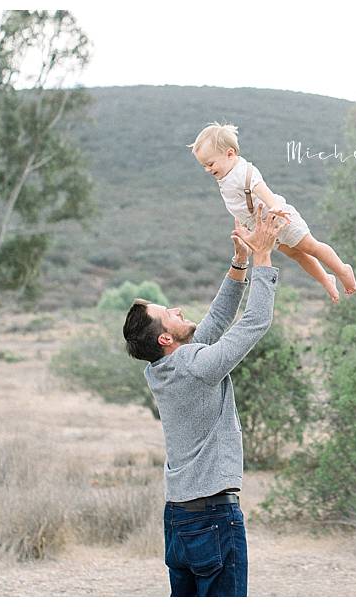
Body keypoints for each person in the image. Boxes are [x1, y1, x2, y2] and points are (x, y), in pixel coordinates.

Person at [122, 206, 287, 597]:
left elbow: (211, 325)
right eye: (170, 314)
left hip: (179, 518)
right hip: (212, 517)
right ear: (166, 339)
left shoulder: (160, 369)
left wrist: (239, 263)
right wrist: (264, 258)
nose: (178, 309)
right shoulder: (196, 367)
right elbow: (254, 323)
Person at [188, 122, 356, 303]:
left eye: (210, 164)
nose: (207, 169)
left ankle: (342, 269)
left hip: (277, 216)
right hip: (261, 226)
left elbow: (261, 188)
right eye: (204, 166)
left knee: (310, 246)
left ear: (230, 154)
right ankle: (326, 279)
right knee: (296, 255)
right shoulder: (225, 175)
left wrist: (275, 206)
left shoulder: (242, 171)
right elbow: (238, 206)